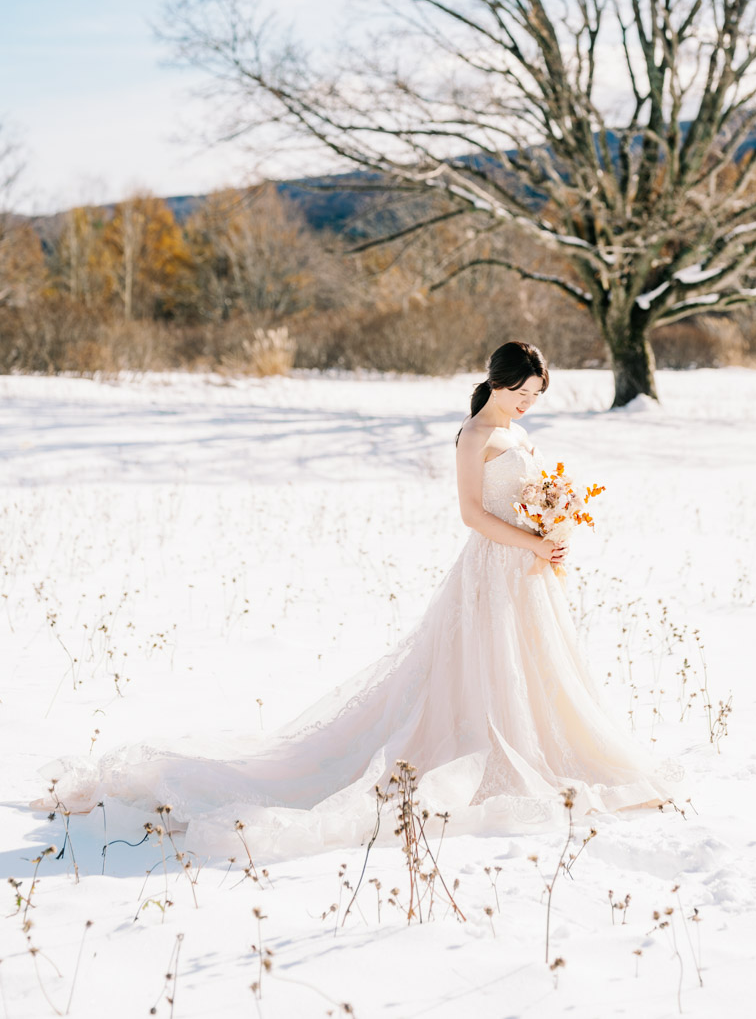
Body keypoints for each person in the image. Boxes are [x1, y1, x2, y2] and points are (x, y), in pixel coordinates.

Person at [32, 341, 682, 858]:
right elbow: (468, 515)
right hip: (492, 567)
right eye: (523, 393)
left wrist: (554, 529)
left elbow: (535, 494)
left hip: (531, 572)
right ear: (500, 382)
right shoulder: (476, 436)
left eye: (536, 396)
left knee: (538, 674)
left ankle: (548, 750)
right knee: (479, 671)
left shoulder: (520, 435)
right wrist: (529, 541)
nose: (528, 405)